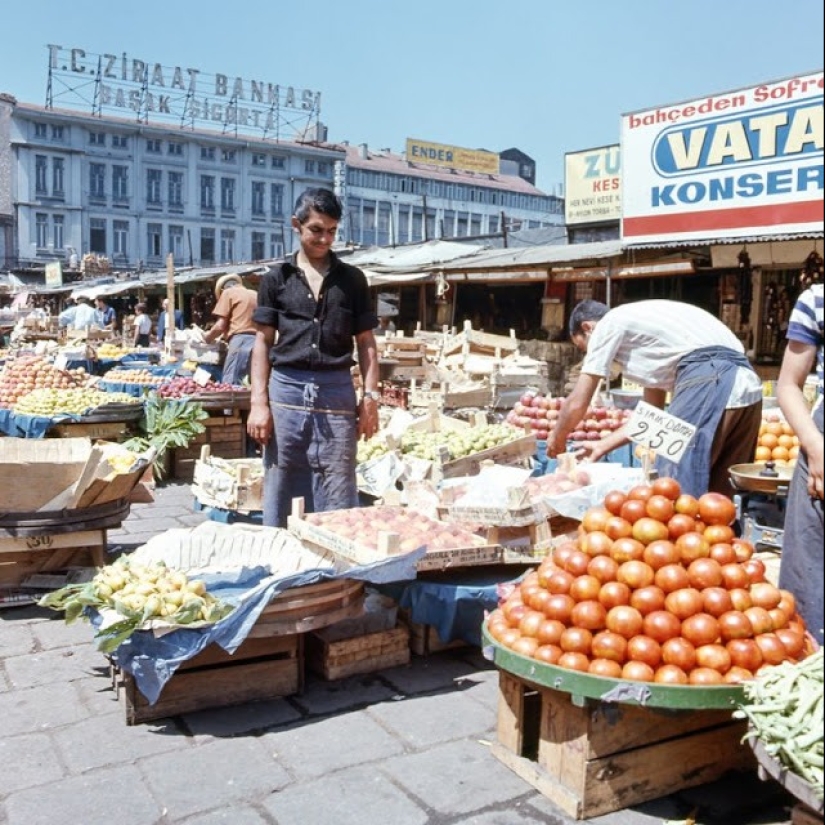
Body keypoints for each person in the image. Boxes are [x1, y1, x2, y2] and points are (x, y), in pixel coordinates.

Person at [247, 187, 380, 528]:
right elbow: (262, 342)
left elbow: (365, 342)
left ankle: (335, 560)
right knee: (283, 473)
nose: (325, 239)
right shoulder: (276, 279)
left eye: (332, 231)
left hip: (336, 392)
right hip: (286, 392)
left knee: (338, 474)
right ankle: (282, 554)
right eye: (317, 229)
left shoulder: (353, 280)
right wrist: (258, 403)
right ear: (297, 224)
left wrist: (370, 396)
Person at [547, 299, 763, 498]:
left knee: (675, 486)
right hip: (748, 385)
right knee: (720, 499)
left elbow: (578, 401)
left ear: (587, 328)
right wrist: (603, 445)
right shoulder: (650, 332)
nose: (590, 355)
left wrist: (557, 438)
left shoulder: (608, 324)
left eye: (584, 348)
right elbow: (652, 416)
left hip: (709, 377)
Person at [777, 280, 823, 645]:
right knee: (809, 570)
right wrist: (815, 446)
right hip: (821, 447)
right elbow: (788, 385)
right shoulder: (817, 300)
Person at [202, 275, 258, 385]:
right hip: (259, 342)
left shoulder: (228, 293)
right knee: (250, 385)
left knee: (231, 383)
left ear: (223, 289)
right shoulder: (255, 294)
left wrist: (207, 338)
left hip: (241, 341)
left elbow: (220, 326)